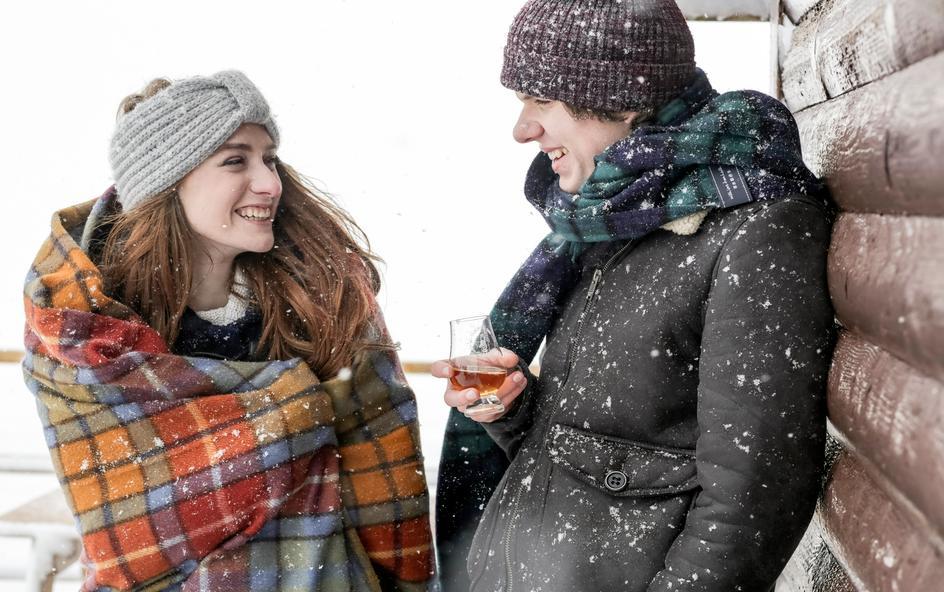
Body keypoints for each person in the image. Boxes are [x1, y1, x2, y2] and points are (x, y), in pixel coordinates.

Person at [433, 1, 836, 590]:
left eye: (540, 101)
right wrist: (516, 409)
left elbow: (754, 495)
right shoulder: (615, 217)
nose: (522, 128)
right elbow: (618, 451)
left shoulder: (757, 231)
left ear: (620, 100)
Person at [23, 71, 433, 591]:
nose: (269, 182)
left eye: (269, 158)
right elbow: (123, 534)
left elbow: (389, 477)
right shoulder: (86, 338)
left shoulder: (328, 301)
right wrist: (292, 416)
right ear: (168, 184)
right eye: (236, 160)